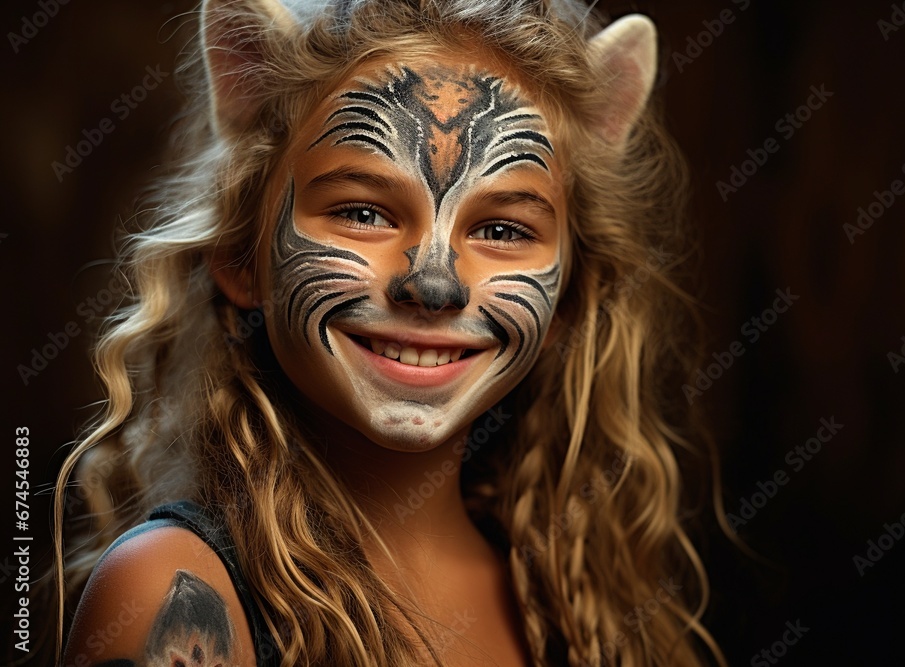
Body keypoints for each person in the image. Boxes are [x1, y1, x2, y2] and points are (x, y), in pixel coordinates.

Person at [55, 0, 724, 665]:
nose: (435, 285)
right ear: (239, 256)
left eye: (501, 230)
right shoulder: (179, 592)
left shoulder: (579, 607)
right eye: (364, 211)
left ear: (568, 300)